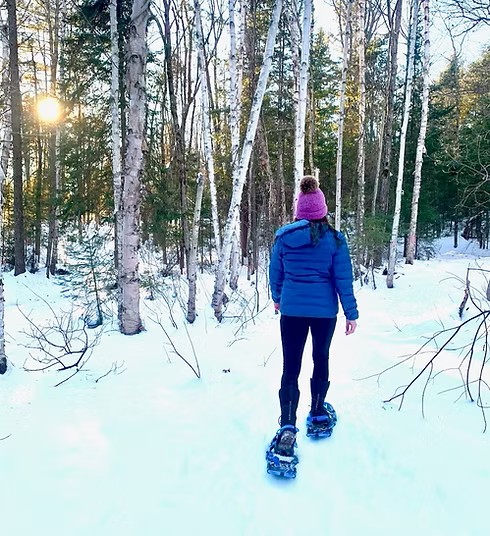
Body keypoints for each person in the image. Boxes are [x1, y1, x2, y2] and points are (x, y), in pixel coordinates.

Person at [267, 175, 358, 467]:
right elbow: (343, 278)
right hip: (324, 313)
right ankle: (318, 412)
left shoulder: (283, 238)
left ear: (299, 210)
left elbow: (275, 273)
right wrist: (350, 312)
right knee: (321, 357)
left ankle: (287, 427)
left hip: (292, 311)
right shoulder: (334, 239)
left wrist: (278, 297)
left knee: (290, 365)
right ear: (322, 210)